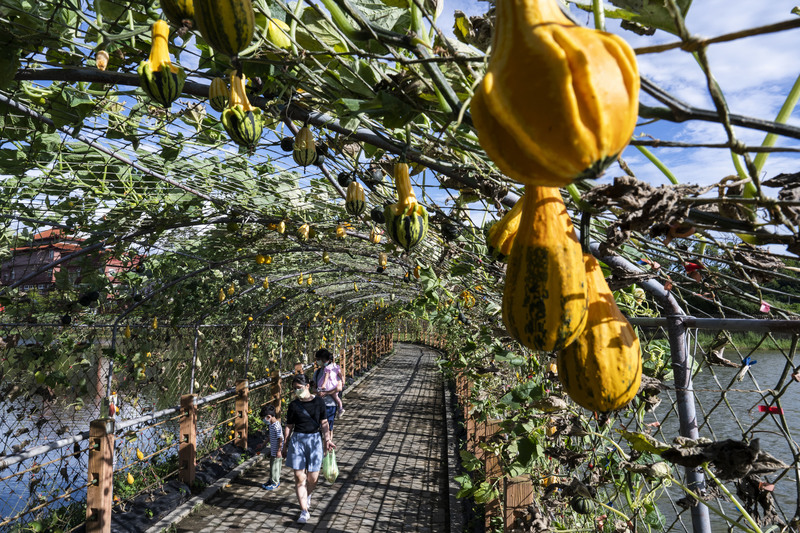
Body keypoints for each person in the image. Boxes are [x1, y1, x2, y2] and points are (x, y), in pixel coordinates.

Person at [283, 373, 336, 524]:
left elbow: (324, 422)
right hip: (298, 440)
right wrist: (285, 443)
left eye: (298, 388)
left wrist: (328, 440)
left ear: (307, 386)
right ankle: (304, 511)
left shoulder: (319, 402)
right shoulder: (293, 405)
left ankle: (308, 495)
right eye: (294, 389)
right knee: (300, 478)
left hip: (314, 441)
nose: (296, 391)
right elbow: (289, 426)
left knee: (313, 478)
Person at [313, 349, 344, 433]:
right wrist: (317, 392)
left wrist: (326, 393)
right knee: (318, 427)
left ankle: (328, 444)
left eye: (321, 359)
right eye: (318, 359)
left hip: (330, 404)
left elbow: (339, 387)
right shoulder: (317, 372)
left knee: (329, 428)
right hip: (318, 404)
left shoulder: (334, 371)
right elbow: (313, 388)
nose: (319, 361)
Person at [260, 404, 283, 490]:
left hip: (277, 451)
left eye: (264, 418)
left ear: (269, 416)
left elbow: (280, 438)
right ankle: (271, 480)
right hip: (273, 450)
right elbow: (270, 436)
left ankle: (275, 482)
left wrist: (279, 450)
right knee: (272, 466)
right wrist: (263, 444)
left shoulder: (277, 426)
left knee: (276, 467)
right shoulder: (271, 425)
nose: (263, 420)